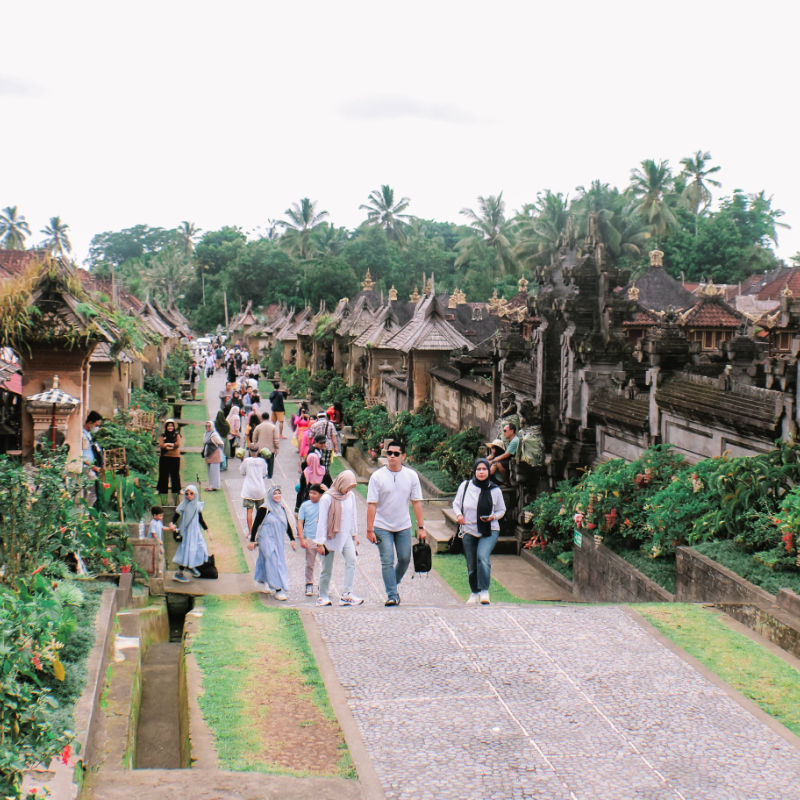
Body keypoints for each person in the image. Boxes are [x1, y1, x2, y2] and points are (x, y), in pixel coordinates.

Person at [366, 440, 425, 606]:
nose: (392, 456)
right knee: (387, 560)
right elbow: (372, 504)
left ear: (403, 456)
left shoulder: (411, 476)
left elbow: (416, 502)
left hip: (403, 525)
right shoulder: (377, 477)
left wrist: (421, 527)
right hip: (382, 526)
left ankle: (393, 583)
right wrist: (369, 529)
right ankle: (392, 594)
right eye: (389, 453)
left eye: (396, 454)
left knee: (405, 558)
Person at [453, 458, 506, 605]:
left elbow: (502, 510)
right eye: (478, 469)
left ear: (488, 471)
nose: (481, 472)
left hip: (489, 530)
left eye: (484, 469)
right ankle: (474, 592)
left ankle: (484, 590)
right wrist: (459, 515)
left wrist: (493, 517)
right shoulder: (466, 486)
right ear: (474, 471)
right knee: (471, 564)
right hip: (468, 529)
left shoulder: (495, 490)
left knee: (482, 557)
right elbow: (456, 504)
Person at [314, 470, 363, 606]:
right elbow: (322, 521)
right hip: (330, 535)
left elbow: (353, 516)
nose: (348, 490)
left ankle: (347, 594)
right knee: (327, 567)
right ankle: (323, 596)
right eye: (348, 487)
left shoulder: (350, 496)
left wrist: (354, 535)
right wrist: (320, 543)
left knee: (351, 560)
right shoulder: (327, 498)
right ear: (341, 483)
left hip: (346, 534)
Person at [248, 486, 296, 600]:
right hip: (266, 539)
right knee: (274, 562)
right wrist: (252, 540)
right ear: (270, 496)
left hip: (277, 540)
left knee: (265, 560)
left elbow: (287, 524)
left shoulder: (281, 508)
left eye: (279, 493)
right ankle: (277, 589)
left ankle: (261, 580)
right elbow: (256, 525)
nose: (277, 495)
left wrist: (292, 539)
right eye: (275, 493)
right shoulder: (264, 509)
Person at [168, 485, 211, 583]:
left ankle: (191, 566)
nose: (189, 496)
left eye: (191, 494)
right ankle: (180, 573)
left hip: (196, 533)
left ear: (195, 494)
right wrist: (172, 523)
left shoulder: (197, 506)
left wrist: (208, 530)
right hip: (186, 533)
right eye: (187, 494)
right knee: (187, 551)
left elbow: (201, 520)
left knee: (201, 549)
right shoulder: (183, 505)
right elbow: (176, 515)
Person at [297, 483, 324, 596]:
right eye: (310, 493)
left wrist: (326, 490)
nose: (311, 495)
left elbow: (333, 498)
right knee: (310, 563)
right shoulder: (305, 505)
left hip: (323, 539)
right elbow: (300, 522)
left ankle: (323, 585)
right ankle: (309, 584)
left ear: (320, 495)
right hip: (310, 537)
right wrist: (302, 538)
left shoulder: (324, 504)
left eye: (314, 493)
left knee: (325, 564)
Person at [240, 443, 268, 532]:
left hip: (249, 490)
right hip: (260, 489)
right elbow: (264, 474)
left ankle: (250, 532)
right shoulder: (262, 461)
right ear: (258, 451)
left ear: (249, 451)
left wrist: (241, 460)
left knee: (249, 511)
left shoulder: (246, 461)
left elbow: (242, 472)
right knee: (260, 511)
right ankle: (259, 530)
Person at [157, 419, 182, 496]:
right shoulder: (163, 435)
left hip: (175, 457)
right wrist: (170, 445)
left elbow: (177, 444)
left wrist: (168, 445)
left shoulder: (177, 435)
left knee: (175, 474)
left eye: (171, 426)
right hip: (164, 457)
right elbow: (161, 445)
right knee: (163, 474)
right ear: (166, 427)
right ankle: (161, 490)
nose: (170, 427)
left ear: (174, 427)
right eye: (168, 426)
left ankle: (177, 490)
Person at [252, 411, 279, 478]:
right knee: (270, 463)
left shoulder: (258, 427)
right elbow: (276, 439)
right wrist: (277, 448)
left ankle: (261, 475)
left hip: (260, 448)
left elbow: (254, 438)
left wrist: (255, 446)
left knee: (261, 463)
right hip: (270, 448)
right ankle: (269, 475)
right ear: (269, 418)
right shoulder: (273, 427)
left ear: (261, 418)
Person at [202, 420, 225, 491]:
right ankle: (211, 485)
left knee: (214, 471)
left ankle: (215, 486)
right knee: (210, 472)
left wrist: (219, 451)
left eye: (209, 426)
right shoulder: (205, 434)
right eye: (206, 426)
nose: (207, 427)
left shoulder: (214, 435)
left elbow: (221, 444)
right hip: (208, 454)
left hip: (214, 454)